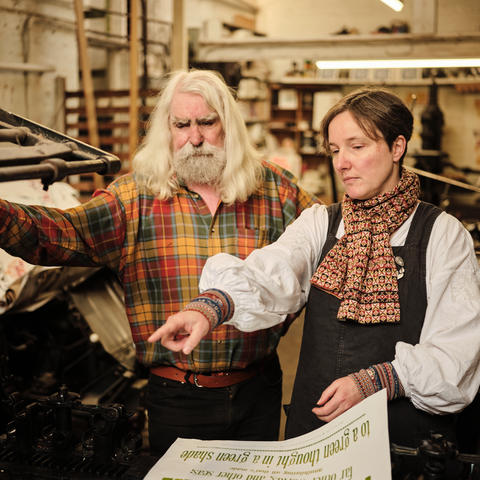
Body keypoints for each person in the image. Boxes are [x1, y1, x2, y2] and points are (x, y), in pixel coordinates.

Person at [0, 69, 318, 456]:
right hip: (178, 397)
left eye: (207, 122)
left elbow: (325, 247)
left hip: (259, 390)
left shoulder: (275, 190)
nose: (195, 137)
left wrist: (284, 313)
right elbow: (61, 235)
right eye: (181, 124)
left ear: (228, 125)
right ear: (166, 130)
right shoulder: (135, 198)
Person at [150, 87, 480, 450]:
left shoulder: (442, 235)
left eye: (357, 147)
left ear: (397, 147)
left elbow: (456, 354)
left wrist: (378, 381)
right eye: (336, 150)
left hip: (400, 441)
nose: (342, 163)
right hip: (315, 433)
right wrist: (210, 307)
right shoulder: (321, 222)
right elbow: (272, 271)